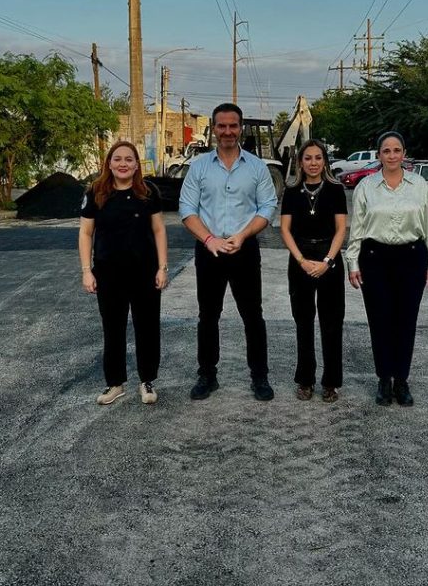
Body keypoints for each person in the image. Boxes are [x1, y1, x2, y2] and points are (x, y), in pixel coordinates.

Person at [179, 102, 278, 401]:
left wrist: (243, 234)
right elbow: (187, 209)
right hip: (209, 250)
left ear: (241, 128)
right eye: (221, 126)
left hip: (244, 249)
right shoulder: (198, 167)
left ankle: (259, 377)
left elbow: (268, 207)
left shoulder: (258, 167)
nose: (227, 132)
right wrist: (209, 239)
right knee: (208, 315)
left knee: (253, 316)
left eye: (233, 126)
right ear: (213, 129)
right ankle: (207, 375)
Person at [346, 131, 428, 406]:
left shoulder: (419, 184)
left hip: (411, 258)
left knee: (405, 322)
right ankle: (383, 380)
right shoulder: (366, 186)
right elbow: (359, 228)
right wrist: (352, 262)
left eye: (396, 150)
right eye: (386, 151)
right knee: (380, 321)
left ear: (404, 153)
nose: (391, 155)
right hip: (375, 258)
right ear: (379, 155)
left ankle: (402, 381)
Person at [79, 141, 169, 406]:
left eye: (129, 159)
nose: (123, 164)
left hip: (145, 272)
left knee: (148, 327)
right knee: (113, 328)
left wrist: (162, 267)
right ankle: (115, 383)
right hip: (108, 273)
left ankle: (147, 380)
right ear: (109, 163)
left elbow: (159, 230)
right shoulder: (96, 192)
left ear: (136, 164)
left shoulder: (148, 191)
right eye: (117, 159)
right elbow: (85, 233)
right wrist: (87, 271)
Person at [280, 139, 347, 403]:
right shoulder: (292, 191)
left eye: (318, 158)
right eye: (308, 158)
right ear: (300, 162)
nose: (313, 163)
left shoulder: (335, 190)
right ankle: (305, 380)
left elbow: (341, 228)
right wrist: (301, 260)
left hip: (329, 260)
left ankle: (331, 382)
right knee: (304, 322)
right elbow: (285, 229)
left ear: (325, 161)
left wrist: (328, 261)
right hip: (300, 260)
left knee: (332, 323)